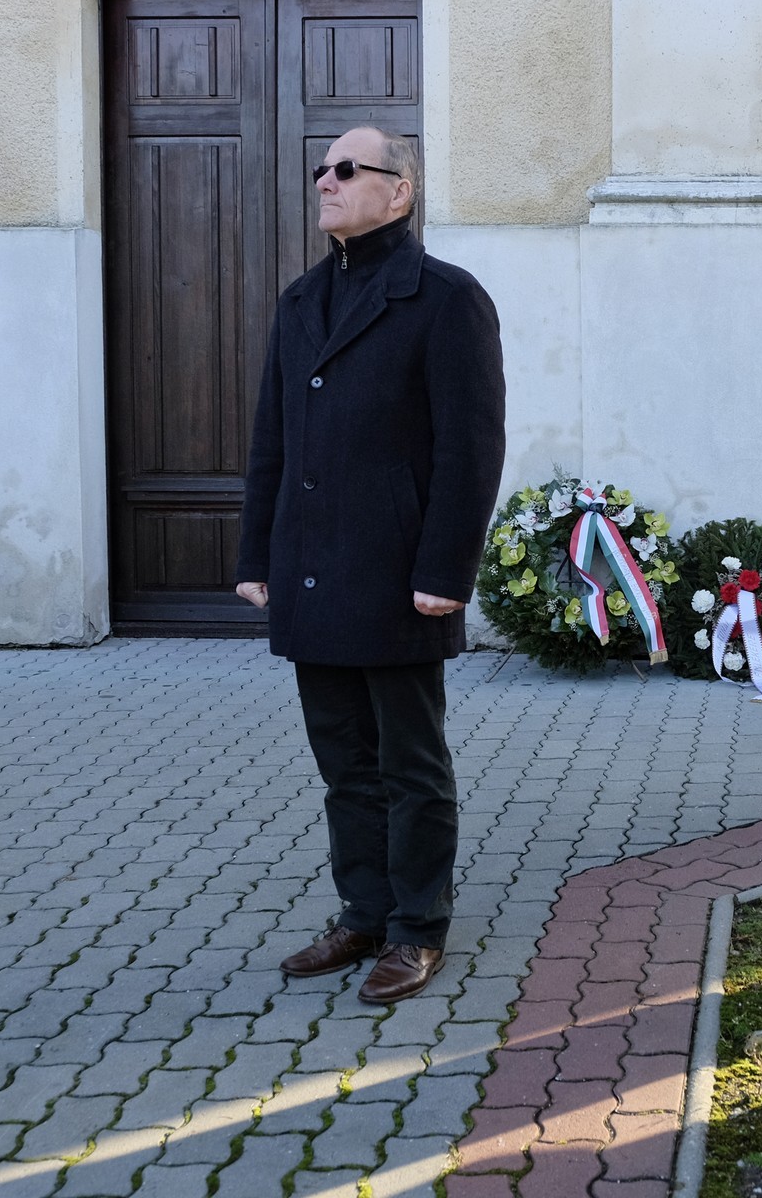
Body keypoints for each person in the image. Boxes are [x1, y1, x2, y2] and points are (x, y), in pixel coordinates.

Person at [235, 126, 506, 1004]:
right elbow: (273, 439)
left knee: (409, 766)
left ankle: (417, 926)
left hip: (397, 577)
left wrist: (447, 572)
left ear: (399, 192)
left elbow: (471, 449)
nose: (326, 179)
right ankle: (364, 911)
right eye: (322, 168)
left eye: (348, 169)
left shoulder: (445, 298)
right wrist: (257, 552)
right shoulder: (300, 300)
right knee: (344, 764)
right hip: (312, 570)